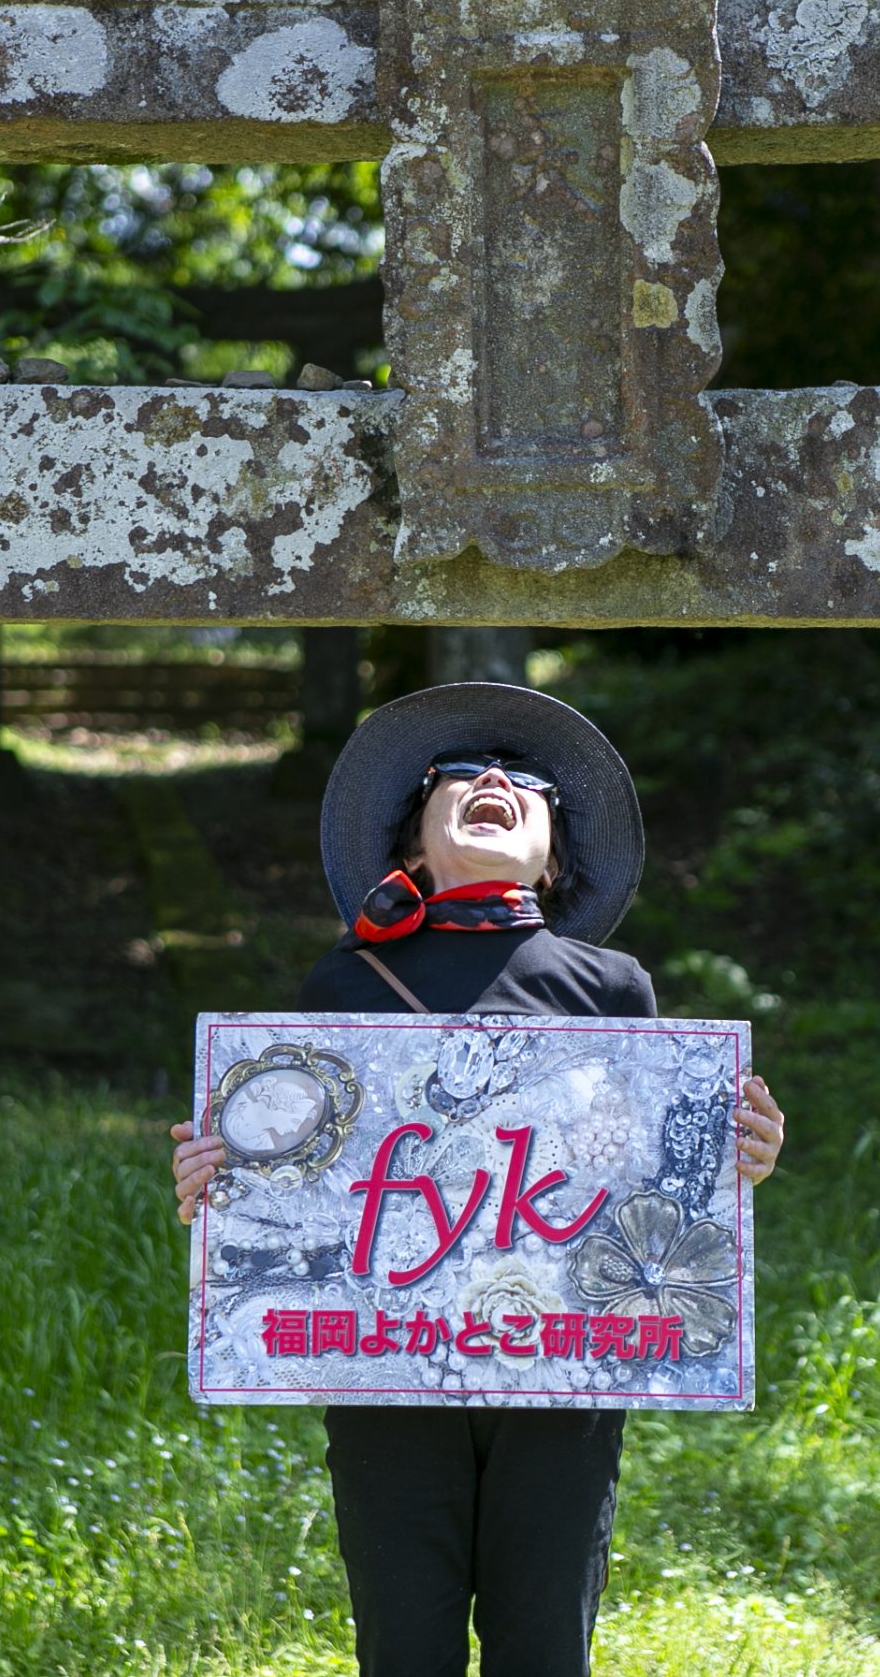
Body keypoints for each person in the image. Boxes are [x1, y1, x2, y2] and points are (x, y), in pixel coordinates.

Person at [169, 682, 787, 1677]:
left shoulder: (614, 988)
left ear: (554, 860)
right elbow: (300, 1181)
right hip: (385, 1365)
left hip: (564, 1370)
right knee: (403, 1645)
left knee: (542, 1643)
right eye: (455, 774)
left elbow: (658, 1180)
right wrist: (221, 1177)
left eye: (526, 780)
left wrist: (741, 1155)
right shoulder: (341, 985)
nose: (493, 778)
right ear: (412, 849)